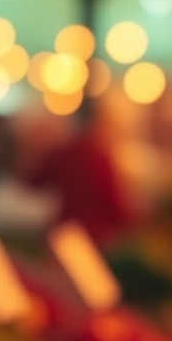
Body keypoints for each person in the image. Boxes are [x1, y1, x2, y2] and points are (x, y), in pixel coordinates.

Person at [18, 103, 135, 249]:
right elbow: (115, 205)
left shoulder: (63, 152)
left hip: (64, 231)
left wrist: (33, 146)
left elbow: (31, 182)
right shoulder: (100, 157)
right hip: (95, 236)